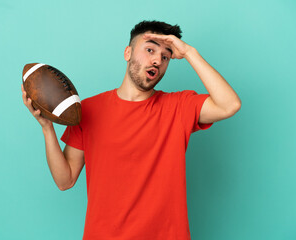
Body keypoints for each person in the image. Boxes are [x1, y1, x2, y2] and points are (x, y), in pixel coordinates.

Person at [22, 20, 241, 240]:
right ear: (128, 53)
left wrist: (190, 53)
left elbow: (229, 104)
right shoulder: (88, 111)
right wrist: (47, 128)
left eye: (165, 56)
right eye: (150, 50)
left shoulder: (178, 106)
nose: (157, 60)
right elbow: (65, 180)